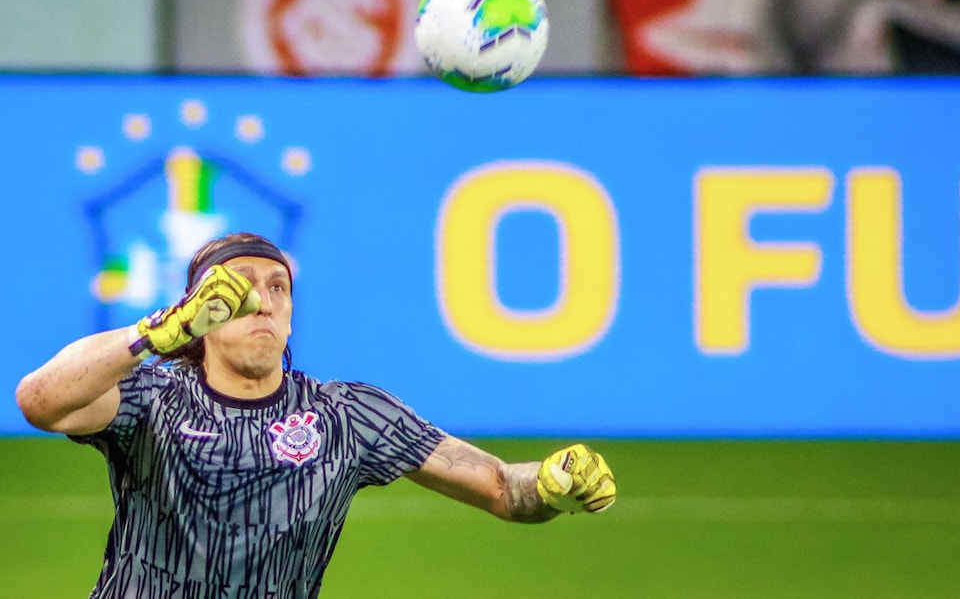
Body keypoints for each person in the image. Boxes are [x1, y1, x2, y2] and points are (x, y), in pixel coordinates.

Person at [15, 232, 616, 598]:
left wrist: (552, 484)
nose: (262, 301)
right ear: (198, 312)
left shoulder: (347, 415)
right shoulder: (151, 399)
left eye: (279, 287)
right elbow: (39, 401)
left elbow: (501, 488)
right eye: (240, 286)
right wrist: (152, 333)